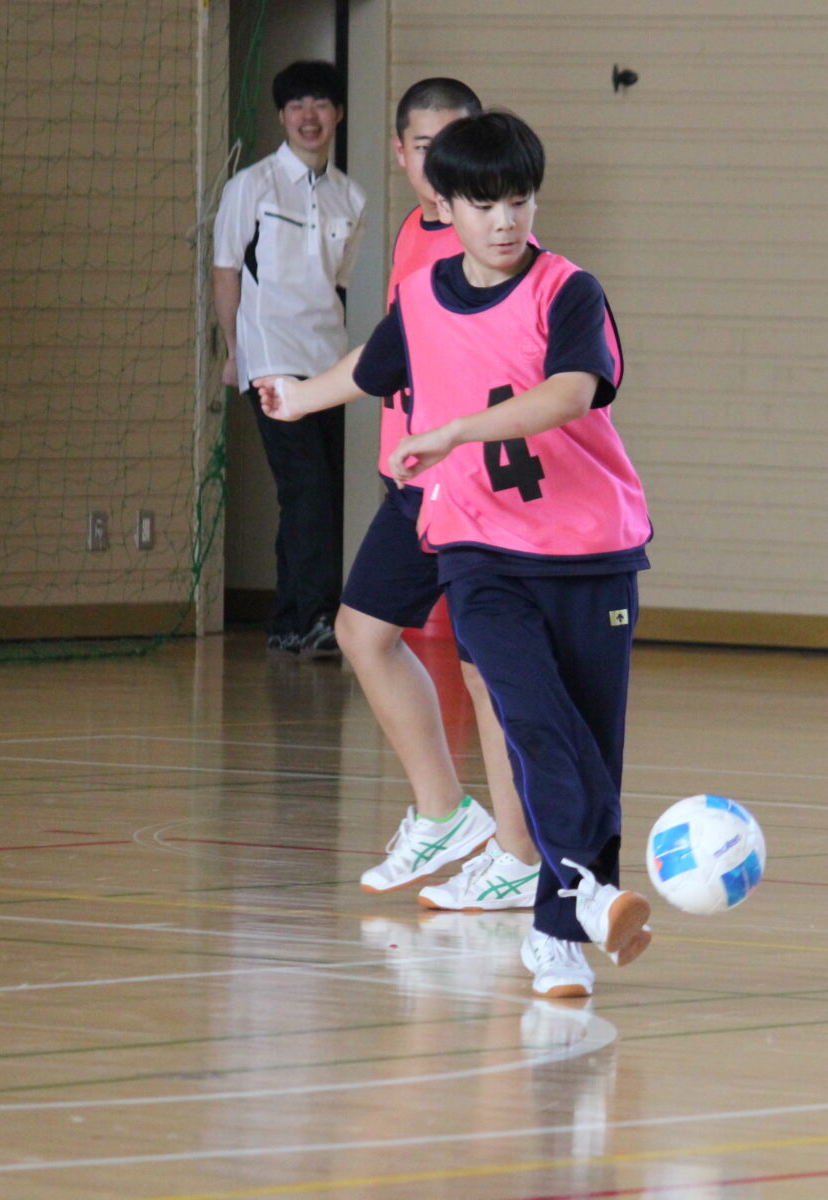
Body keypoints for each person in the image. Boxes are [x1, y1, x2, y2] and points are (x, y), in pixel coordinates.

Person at [260, 111, 654, 999]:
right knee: (526, 710)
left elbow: (568, 394)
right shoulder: (428, 293)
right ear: (447, 204)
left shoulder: (567, 290)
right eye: (485, 203)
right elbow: (374, 365)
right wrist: (299, 399)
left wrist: (457, 430)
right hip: (480, 545)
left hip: (591, 551)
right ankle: (589, 892)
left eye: (520, 200)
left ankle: (559, 933)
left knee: (591, 739)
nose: (507, 220)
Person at [265, 77, 542, 911]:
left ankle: (521, 853)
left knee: (489, 669)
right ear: (402, 154)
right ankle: (445, 813)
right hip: (414, 480)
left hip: (474, 485)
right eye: (428, 148)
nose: (445, 162)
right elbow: (390, 350)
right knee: (362, 631)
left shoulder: (489, 246)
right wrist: (307, 394)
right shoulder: (418, 241)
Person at [212, 60, 364, 658]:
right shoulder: (250, 185)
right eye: (297, 105)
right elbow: (226, 270)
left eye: (321, 105)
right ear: (282, 116)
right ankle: (311, 618)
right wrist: (234, 352)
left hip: (329, 360)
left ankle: (289, 620)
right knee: (306, 487)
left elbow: (339, 285)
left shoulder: (353, 196)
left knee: (320, 491)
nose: (309, 116)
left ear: (338, 115)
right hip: (270, 355)